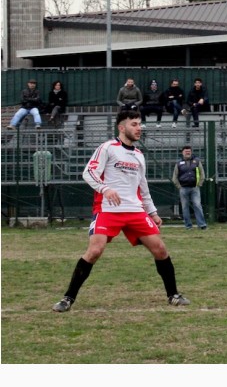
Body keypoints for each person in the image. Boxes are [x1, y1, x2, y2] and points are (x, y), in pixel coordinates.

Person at [52, 110, 190, 312]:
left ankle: (173, 295)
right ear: (121, 127)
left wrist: (152, 212)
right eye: (134, 124)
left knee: (160, 250)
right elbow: (88, 173)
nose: (138, 128)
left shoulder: (139, 155)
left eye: (139, 124)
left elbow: (143, 187)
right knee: (94, 251)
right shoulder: (108, 148)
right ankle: (67, 298)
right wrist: (105, 189)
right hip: (108, 210)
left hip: (135, 211)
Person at [172, 145, 207, 230]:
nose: (187, 153)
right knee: (185, 207)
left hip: (195, 187)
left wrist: (199, 184)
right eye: (186, 151)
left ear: (191, 152)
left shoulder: (197, 161)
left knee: (197, 205)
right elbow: (174, 176)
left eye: (189, 151)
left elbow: (202, 173)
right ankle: (188, 226)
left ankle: (202, 225)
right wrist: (179, 186)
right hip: (183, 188)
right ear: (182, 152)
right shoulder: (179, 163)